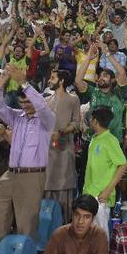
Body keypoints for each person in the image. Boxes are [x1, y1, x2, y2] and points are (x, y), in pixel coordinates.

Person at [0, 65, 56, 245]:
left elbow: (41, 106)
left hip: (32, 176)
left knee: (26, 225)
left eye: (29, 102)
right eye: (23, 103)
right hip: (10, 174)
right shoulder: (16, 116)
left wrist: (23, 82)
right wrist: (0, 86)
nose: (26, 106)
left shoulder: (47, 120)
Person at [83, 105, 127, 237]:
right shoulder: (95, 138)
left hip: (101, 196)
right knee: (89, 235)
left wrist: (108, 190)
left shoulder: (110, 140)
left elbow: (123, 165)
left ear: (95, 121)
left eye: (91, 118)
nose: (90, 121)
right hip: (89, 193)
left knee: (101, 235)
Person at [44, 68, 80, 223]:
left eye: (53, 78)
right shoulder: (46, 101)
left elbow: (76, 123)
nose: (49, 81)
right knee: (47, 186)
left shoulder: (73, 99)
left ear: (62, 81)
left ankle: (64, 224)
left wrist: (62, 131)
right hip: (47, 152)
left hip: (65, 150)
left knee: (64, 185)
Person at [75, 42, 127, 140]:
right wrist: (88, 58)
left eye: (105, 76)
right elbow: (78, 81)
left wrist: (107, 54)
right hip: (94, 140)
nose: (101, 78)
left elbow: (121, 73)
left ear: (112, 80)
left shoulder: (118, 92)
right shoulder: (93, 92)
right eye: (100, 76)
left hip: (114, 141)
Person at [43, 194, 109, 254]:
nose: (80, 222)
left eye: (86, 217)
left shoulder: (100, 235)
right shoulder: (59, 235)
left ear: (92, 219)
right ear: (72, 215)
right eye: (77, 215)